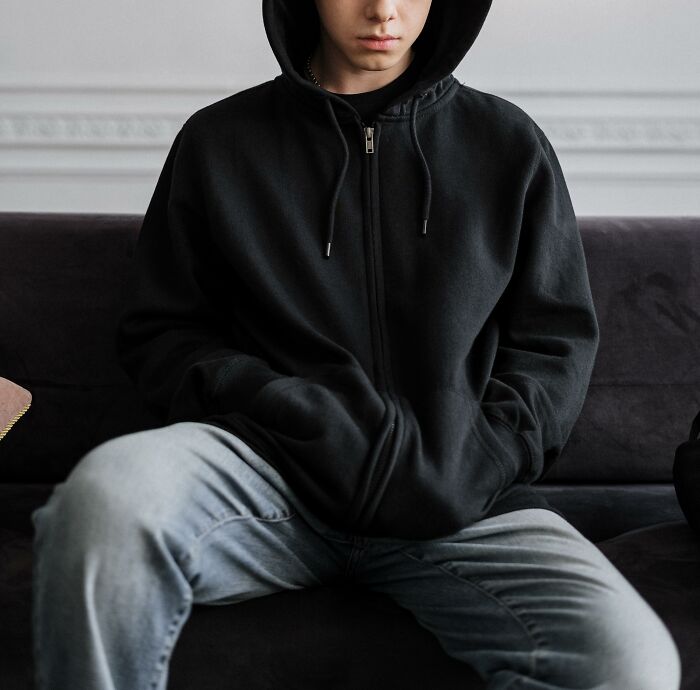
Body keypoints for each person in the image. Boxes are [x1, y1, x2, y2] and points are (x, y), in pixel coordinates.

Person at [31, 1, 683, 688]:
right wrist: (287, 409)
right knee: (105, 499)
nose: (383, 10)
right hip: (268, 477)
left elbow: (553, 345)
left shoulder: (508, 143)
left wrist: (482, 458)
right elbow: (163, 333)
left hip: (459, 500)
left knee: (629, 664)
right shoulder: (219, 141)